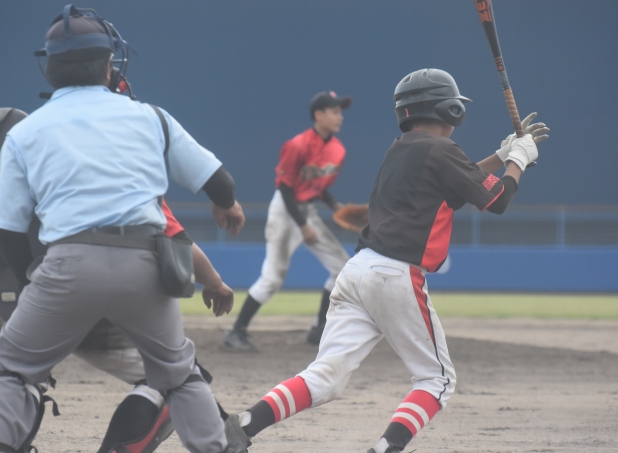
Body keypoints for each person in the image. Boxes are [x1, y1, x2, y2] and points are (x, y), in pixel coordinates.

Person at [223, 68, 549, 452]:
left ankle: (244, 425)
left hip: (356, 271)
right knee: (437, 380)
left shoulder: (403, 147)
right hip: (395, 275)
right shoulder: (441, 150)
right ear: (449, 109)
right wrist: (518, 161)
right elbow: (498, 200)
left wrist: (502, 156)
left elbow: (463, 182)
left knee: (324, 376)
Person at [0, 6, 245, 453]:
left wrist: (33, 285)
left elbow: (7, 231)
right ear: (108, 66)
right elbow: (222, 184)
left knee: (8, 368)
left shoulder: (25, 132)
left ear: (49, 68)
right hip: (146, 266)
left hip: (68, 266)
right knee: (179, 374)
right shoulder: (151, 117)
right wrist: (225, 203)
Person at [0, 199, 235, 453]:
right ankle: (219, 434)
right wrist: (215, 281)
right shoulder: (128, 173)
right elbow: (175, 234)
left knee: (12, 371)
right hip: (94, 281)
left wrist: (4, 293)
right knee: (170, 375)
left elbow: (1, 227)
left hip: (7, 287)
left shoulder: (26, 163)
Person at [224, 91, 353, 351]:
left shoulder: (338, 150)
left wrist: (334, 206)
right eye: (334, 111)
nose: (339, 116)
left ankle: (319, 329)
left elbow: (316, 186)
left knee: (342, 268)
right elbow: (285, 188)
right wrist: (303, 226)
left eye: (341, 111)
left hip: (307, 210)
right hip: (285, 211)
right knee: (273, 278)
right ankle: (236, 332)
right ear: (318, 115)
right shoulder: (297, 145)